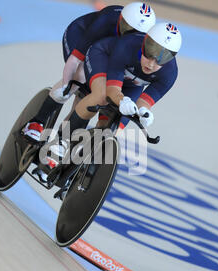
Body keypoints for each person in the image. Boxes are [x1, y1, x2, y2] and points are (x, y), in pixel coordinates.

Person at [38, 22, 182, 174]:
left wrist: (144, 112)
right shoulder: (128, 47)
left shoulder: (170, 73)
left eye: (161, 58)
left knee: (115, 127)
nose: (152, 64)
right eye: (150, 53)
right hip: (103, 59)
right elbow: (112, 91)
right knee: (101, 97)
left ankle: (80, 164)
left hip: (131, 84)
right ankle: (61, 141)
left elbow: (144, 101)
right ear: (144, 42)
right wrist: (121, 100)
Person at [23, 2, 156, 141]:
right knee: (78, 79)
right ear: (120, 19)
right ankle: (36, 122)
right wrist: (67, 86)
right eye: (126, 29)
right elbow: (74, 60)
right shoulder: (107, 20)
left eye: (136, 34)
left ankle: (61, 141)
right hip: (81, 39)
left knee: (94, 98)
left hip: (106, 54)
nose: (129, 37)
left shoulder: (143, 47)